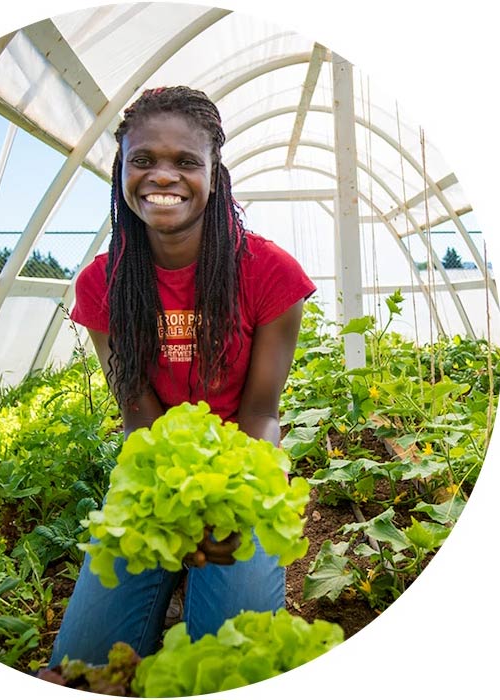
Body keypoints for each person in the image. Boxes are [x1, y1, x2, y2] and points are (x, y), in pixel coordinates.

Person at [49, 86, 316, 667]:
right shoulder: (103, 283)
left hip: (242, 468)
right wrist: (164, 506)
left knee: (229, 657)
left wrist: (226, 505)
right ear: (122, 170)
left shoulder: (269, 271)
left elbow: (261, 413)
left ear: (214, 175)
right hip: (153, 475)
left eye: (186, 162)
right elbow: (137, 411)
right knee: (84, 666)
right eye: (142, 160)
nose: (161, 176)